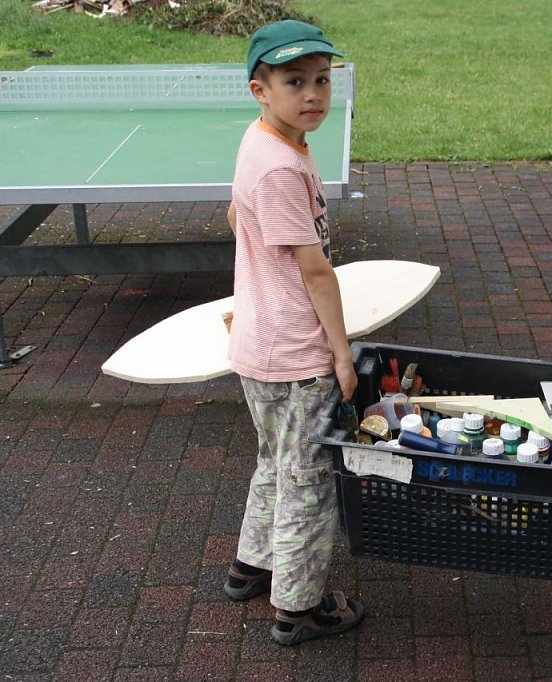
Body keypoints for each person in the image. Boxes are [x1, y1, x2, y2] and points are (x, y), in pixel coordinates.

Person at [222, 19, 363, 647]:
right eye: (294, 82)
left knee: (275, 461)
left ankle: (250, 567)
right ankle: (297, 609)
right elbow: (315, 270)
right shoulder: (281, 167)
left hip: (258, 342)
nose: (313, 94)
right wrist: (341, 354)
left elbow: (235, 215)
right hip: (296, 354)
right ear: (261, 89)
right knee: (309, 482)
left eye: (322, 80)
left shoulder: (262, 141)